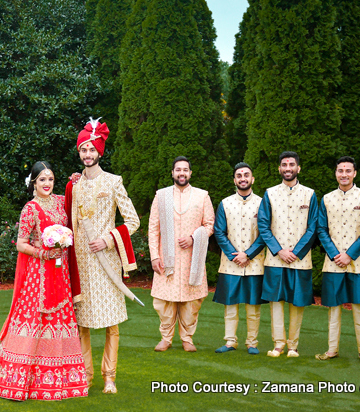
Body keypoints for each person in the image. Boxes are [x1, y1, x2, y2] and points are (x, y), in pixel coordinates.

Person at [0, 161, 88, 401]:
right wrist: (43, 252)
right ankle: (16, 381)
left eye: (50, 179)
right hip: (37, 276)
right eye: (42, 179)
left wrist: (78, 179)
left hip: (60, 274)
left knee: (59, 319)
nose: (47, 184)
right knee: (33, 319)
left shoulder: (61, 202)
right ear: (33, 182)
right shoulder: (30, 209)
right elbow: (21, 244)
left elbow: (78, 199)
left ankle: (61, 381)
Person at [65, 118, 139, 394]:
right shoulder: (73, 186)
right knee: (82, 324)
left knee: (111, 324)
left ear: (99, 152)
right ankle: (85, 376)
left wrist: (108, 239)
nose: (87, 154)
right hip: (81, 264)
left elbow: (132, 221)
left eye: (91, 149)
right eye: (83, 150)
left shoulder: (114, 182)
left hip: (107, 263)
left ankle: (110, 377)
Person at [148, 156, 214, 353]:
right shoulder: (161, 195)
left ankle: (187, 338)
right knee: (164, 301)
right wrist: (154, 256)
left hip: (191, 258)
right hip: (165, 257)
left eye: (185, 170)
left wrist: (194, 238)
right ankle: (166, 338)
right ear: (172, 173)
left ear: (190, 173)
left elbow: (209, 225)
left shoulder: (202, 196)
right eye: (178, 170)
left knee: (190, 302)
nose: (182, 173)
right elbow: (153, 228)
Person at [315, 156, 360, 364]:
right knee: (334, 308)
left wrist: (350, 254)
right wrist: (335, 254)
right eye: (340, 171)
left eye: (348, 171)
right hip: (333, 263)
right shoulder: (327, 198)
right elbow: (321, 229)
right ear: (336, 173)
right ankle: (332, 349)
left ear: (355, 173)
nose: (344, 174)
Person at [258, 151, 318, 358]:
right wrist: (279, 251)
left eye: (291, 164)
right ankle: (278, 344)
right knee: (276, 302)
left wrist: (297, 252)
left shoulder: (310, 194)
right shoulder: (270, 193)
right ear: (279, 169)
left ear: (298, 168)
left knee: (297, 302)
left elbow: (313, 227)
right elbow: (263, 226)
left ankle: (293, 345)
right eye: (284, 165)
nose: (288, 168)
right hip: (275, 259)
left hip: (301, 260)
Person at [212, 162, 266, 355]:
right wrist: (234, 255)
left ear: (252, 179)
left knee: (253, 305)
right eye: (239, 175)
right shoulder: (225, 203)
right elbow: (219, 232)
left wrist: (248, 254)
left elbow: (265, 232)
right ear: (234, 180)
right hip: (230, 263)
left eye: (246, 175)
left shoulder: (262, 203)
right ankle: (230, 341)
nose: (243, 178)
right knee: (230, 304)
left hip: (255, 263)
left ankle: (252, 342)